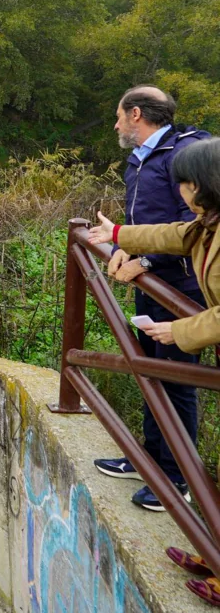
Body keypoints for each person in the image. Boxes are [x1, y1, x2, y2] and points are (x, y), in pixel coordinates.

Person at [88, 136, 220, 606]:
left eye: (184, 182)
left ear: (205, 184)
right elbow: (170, 235)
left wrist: (179, 331)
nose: (180, 190)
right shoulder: (207, 224)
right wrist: (119, 235)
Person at [93, 86, 209, 511]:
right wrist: (127, 248)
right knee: (150, 374)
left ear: (137, 114)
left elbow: (192, 223)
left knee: (177, 381)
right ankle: (148, 460)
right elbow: (142, 219)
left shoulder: (188, 155)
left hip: (183, 289)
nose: (116, 124)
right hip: (152, 285)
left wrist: (146, 259)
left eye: (120, 116)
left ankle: (178, 479)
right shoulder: (140, 159)